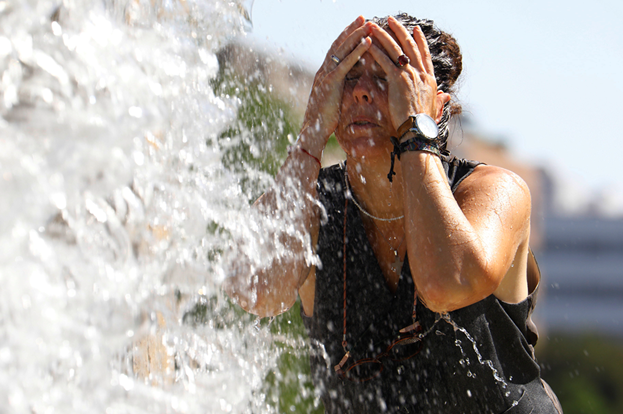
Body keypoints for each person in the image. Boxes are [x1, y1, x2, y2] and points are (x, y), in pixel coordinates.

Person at [224, 12, 563, 414]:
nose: (362, 92)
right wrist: (311, 134)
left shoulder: (493, 190)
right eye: (350, 76)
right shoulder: (310, 203)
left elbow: (445, 285)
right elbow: (256, 291)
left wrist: (415, 131)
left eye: (387, 78)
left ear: (436, 106)